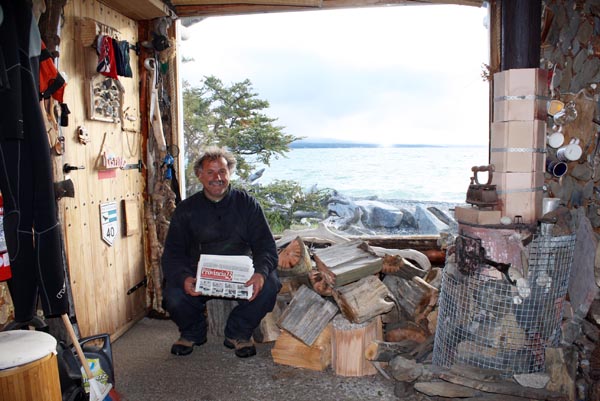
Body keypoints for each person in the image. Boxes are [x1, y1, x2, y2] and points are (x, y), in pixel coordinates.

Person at [161, 146, 281, 358]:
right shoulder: (186, 209)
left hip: (241, 271)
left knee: (270, 284)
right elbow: (172, 254)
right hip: (199, 271)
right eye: (210, 172)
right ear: (199, 175)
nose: (217, 177)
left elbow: (266, 247)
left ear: (229, 174)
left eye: (222, 172)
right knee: (173, 292)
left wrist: (260, 273)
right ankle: (192, 332)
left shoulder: (248, 205)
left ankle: (238, 332)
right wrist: (183, 277)